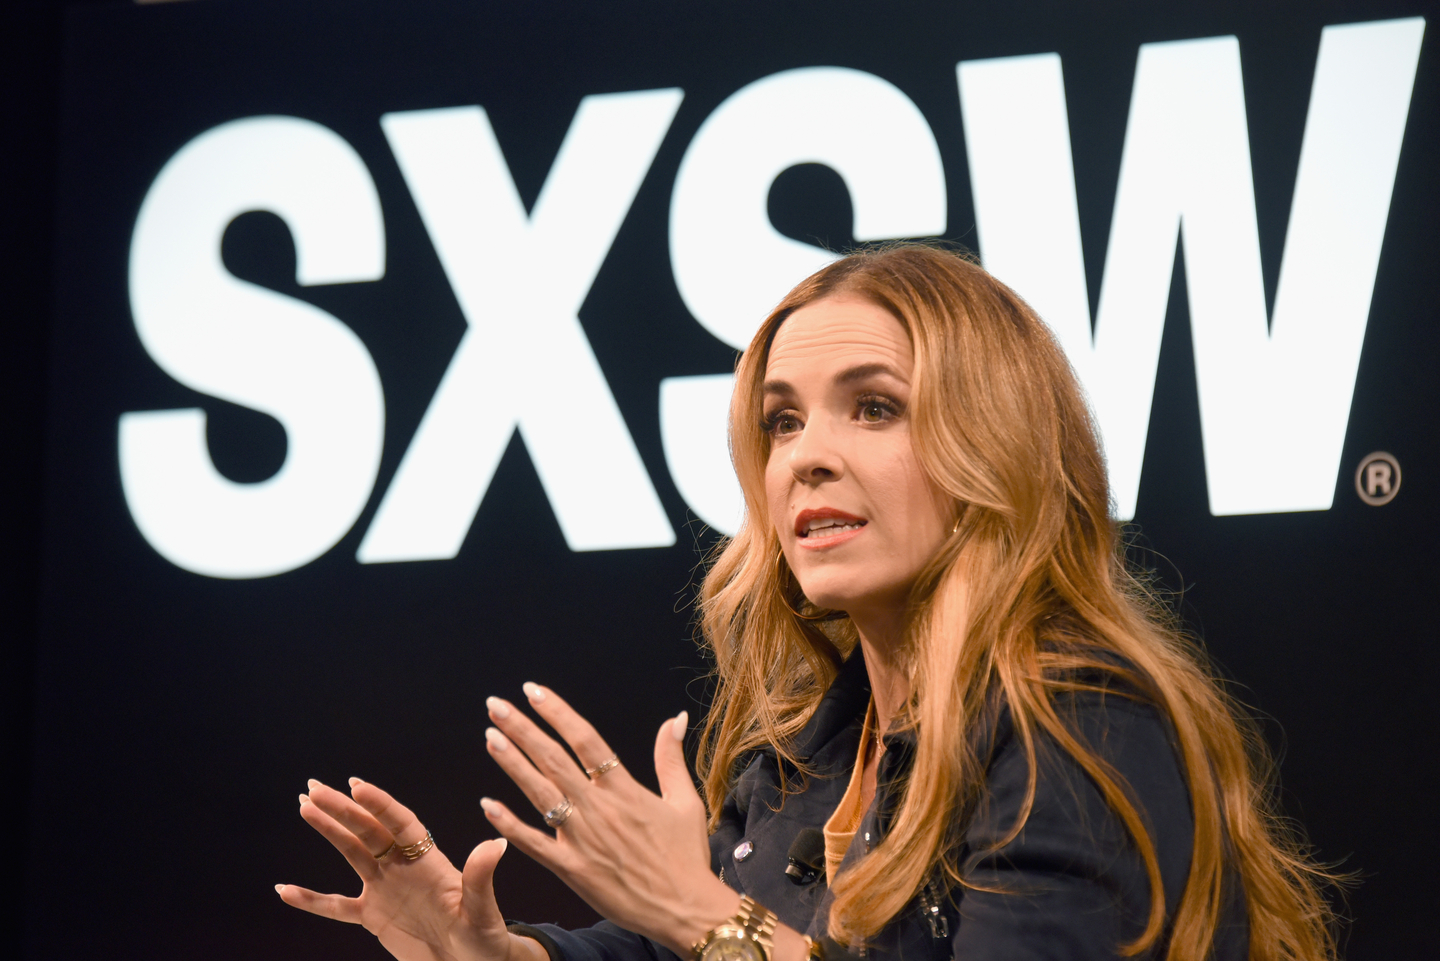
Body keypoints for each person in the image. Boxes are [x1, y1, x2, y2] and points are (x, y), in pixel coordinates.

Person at [276, 244, 1340, 961]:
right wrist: (490, 952)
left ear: (997, 445)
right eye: (782, 423)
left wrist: (708, 917)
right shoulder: (800, 759)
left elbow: (703, 935)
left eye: (873, 408)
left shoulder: (1083, 724)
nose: (808, 459)